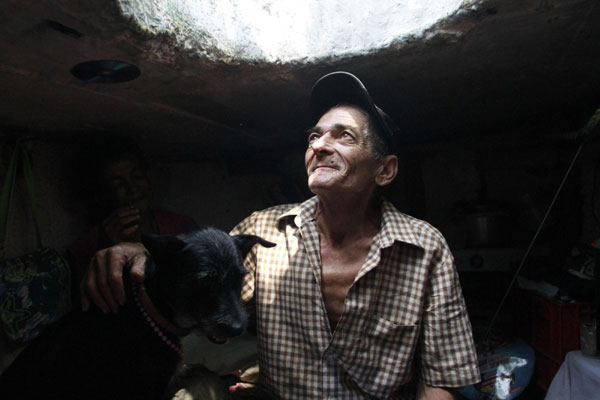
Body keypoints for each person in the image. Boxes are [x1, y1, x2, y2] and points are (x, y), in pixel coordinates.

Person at [81, 72, 480, 399]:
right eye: (314, 136)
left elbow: (441, 375)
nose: (320, 146)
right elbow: (195, 271)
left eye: (344, 136)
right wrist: (139, 251)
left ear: (385, 171)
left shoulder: (425, 247)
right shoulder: (263, 230)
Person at [67, 136, 197, 295]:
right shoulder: (89, 245)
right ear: (104, 193)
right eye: (118, 184)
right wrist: (108, 246)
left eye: (137, 177)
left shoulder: (181, 225)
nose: (132, 188)